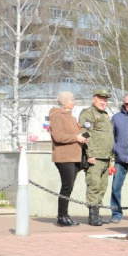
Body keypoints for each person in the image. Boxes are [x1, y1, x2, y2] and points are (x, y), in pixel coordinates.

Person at [48, 91, 88, 227]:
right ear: (64, 101)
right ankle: (62, 216)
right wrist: (76, 138)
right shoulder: (58, 116)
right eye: (72, 99)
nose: (74, 101)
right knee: (66, 187)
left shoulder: (69, 116)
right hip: (64, 157)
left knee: (68, 188)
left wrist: (81, 137)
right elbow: (58, 137)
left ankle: (65, 215)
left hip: (73, 156)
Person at [79, 88, 115, 226]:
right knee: (93, 185)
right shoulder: (88, 113)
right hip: (95, 157)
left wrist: (111, 159)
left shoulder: (105, 115)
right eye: (100, 99)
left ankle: (97, 215)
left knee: (102, 187)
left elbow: (108, 137)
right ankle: (92, 216)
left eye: (105, 100)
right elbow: (85, 134)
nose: (103, 102)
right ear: (94, 98)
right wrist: (90, 154)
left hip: (106, 157)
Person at [110, 93, 128, 223]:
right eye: (127, 104)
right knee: (116, 187)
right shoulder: (116, 117)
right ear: (123, 104)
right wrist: (115, 150)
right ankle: (116, 214)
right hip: (120, 159)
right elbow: (111, 137)